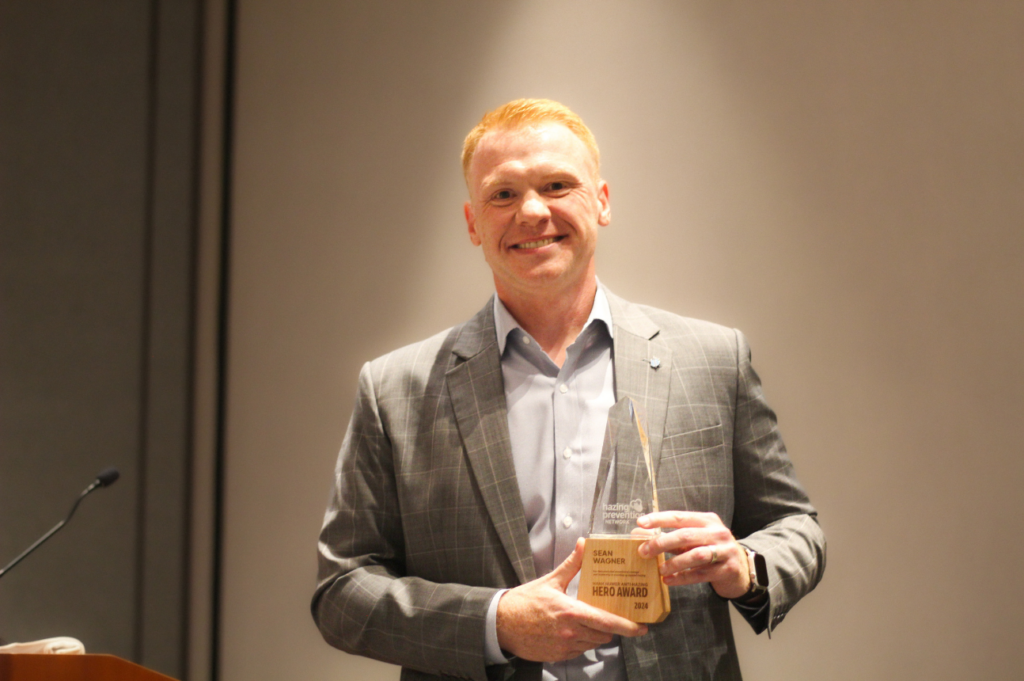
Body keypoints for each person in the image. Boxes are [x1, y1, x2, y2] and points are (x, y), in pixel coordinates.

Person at [313, 99, 825, 681]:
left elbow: (797, 528)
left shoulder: (713, 360)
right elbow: (342, 590)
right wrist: (495, 623)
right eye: (503, 194)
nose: (532, 211)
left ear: (601, 201)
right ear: (473, 223)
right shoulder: (394, 391)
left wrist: (744, 565)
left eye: (557, 185)